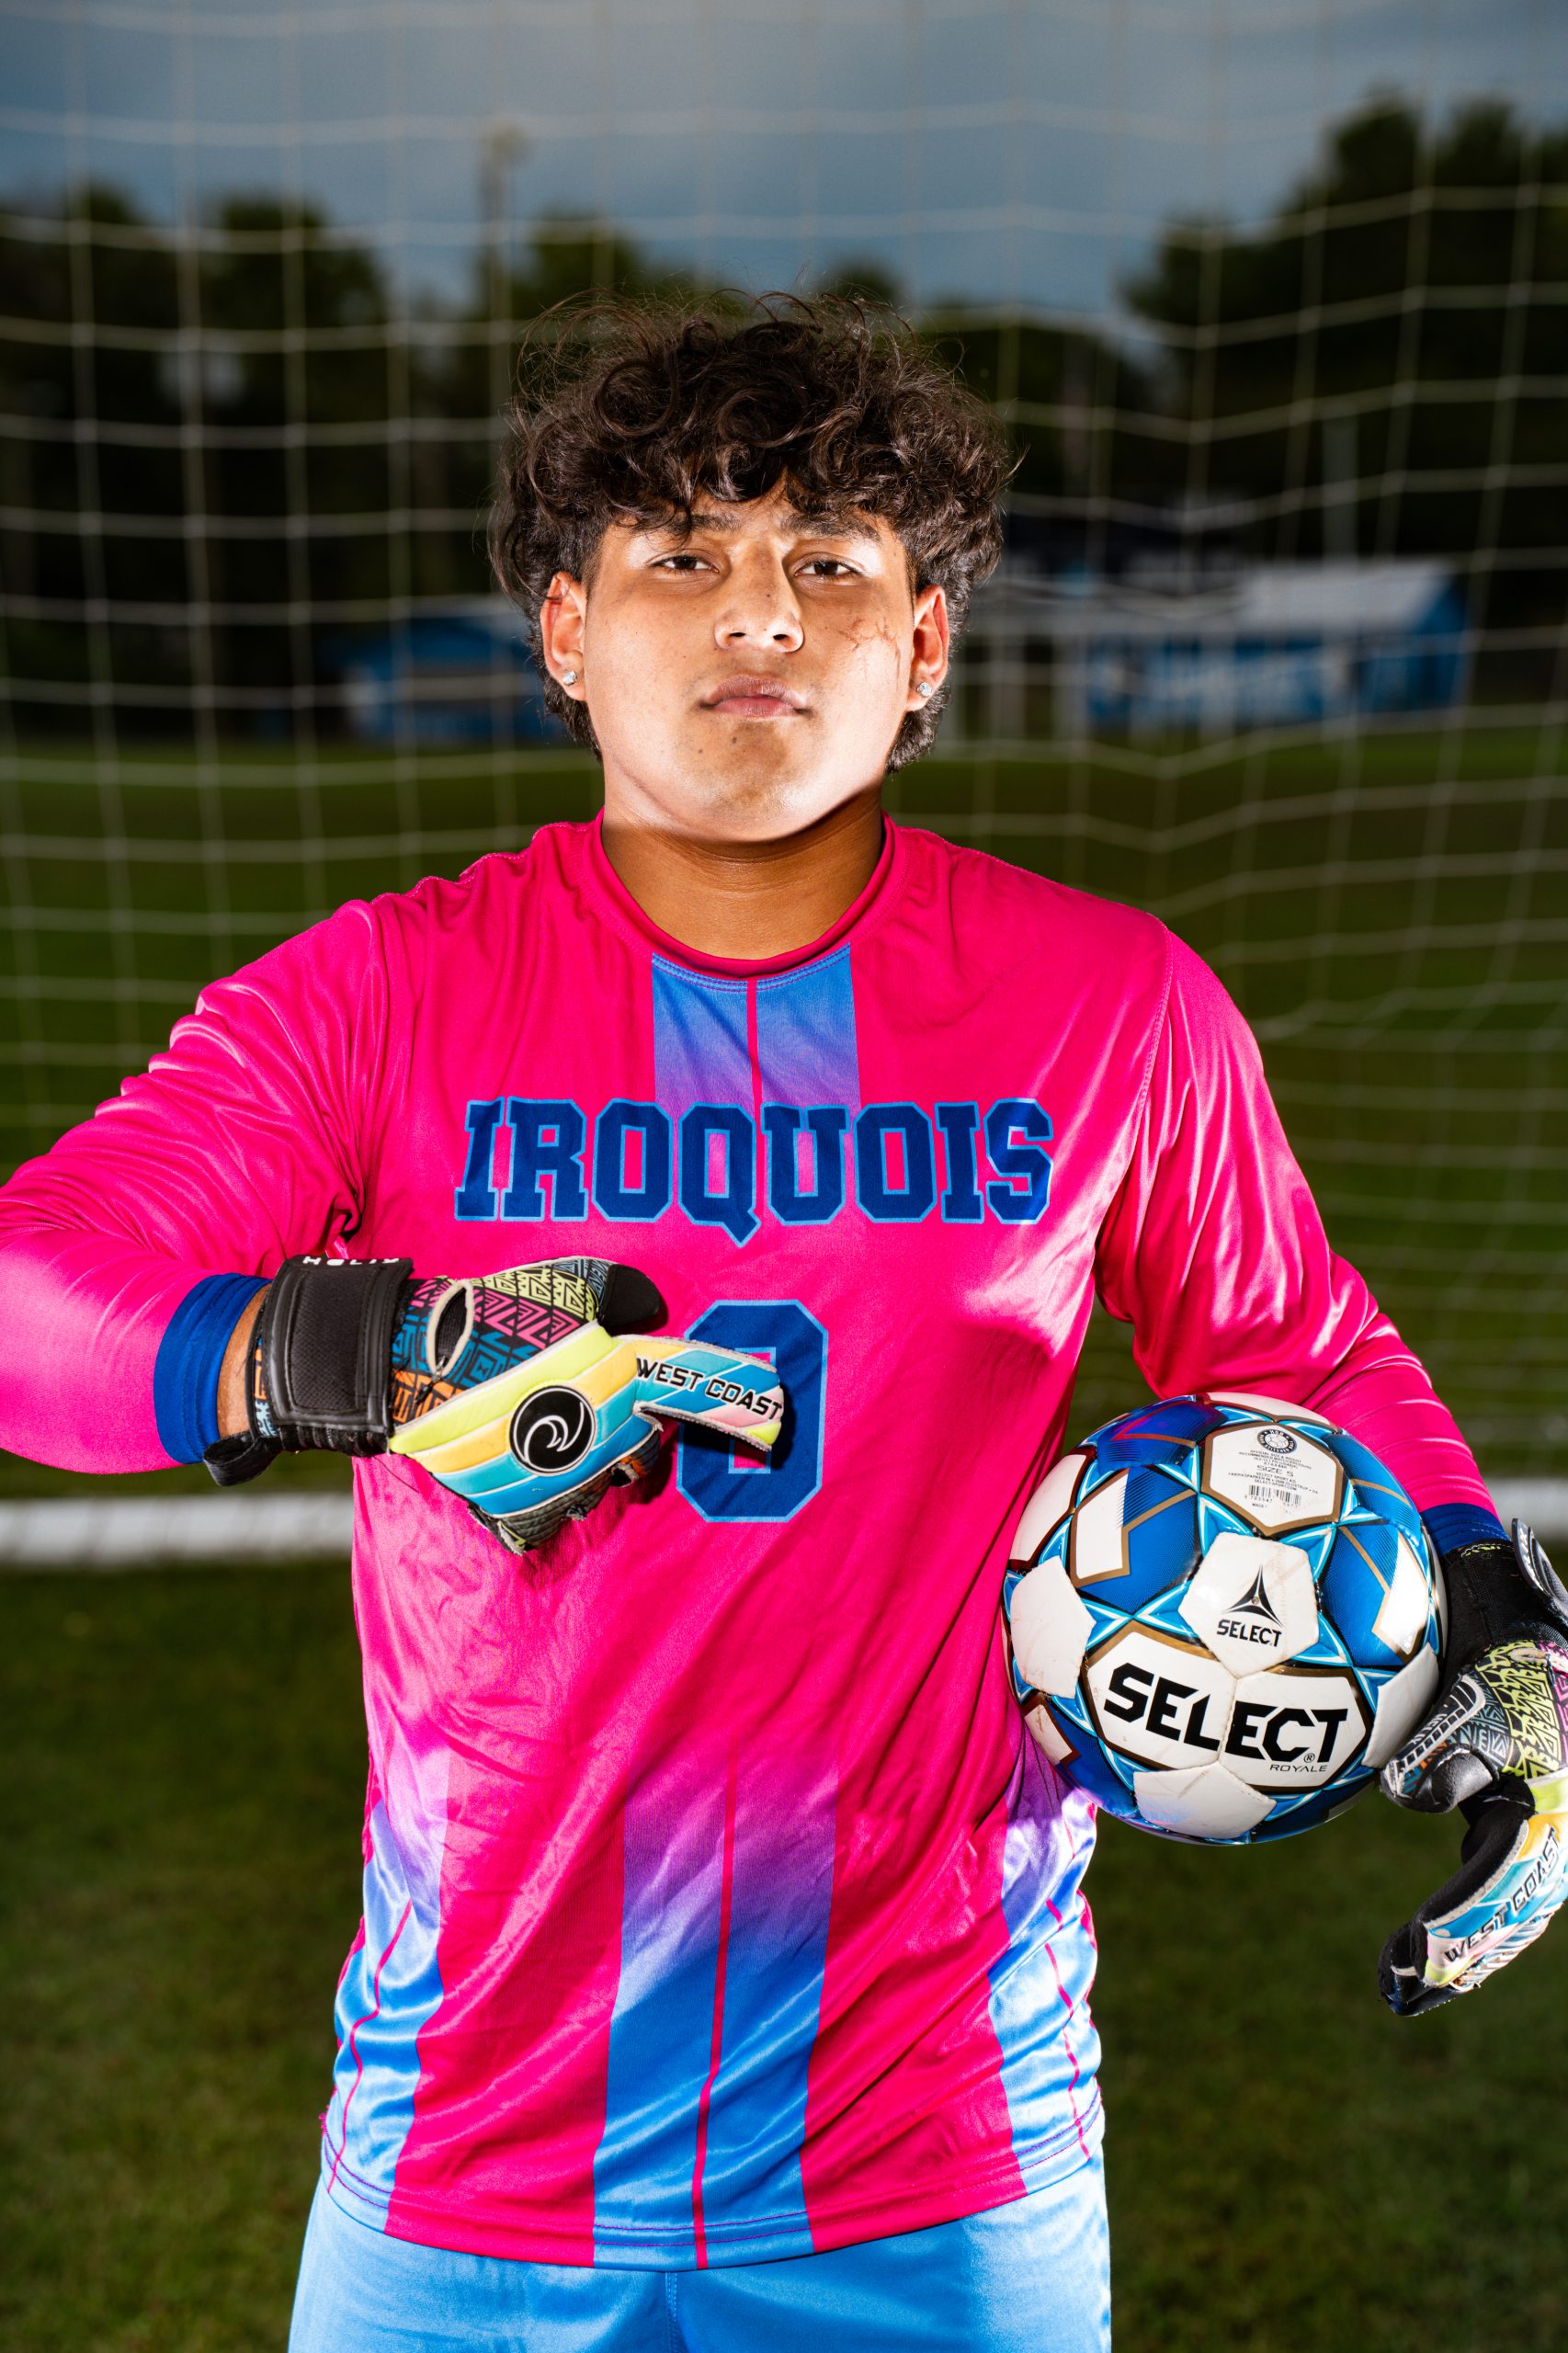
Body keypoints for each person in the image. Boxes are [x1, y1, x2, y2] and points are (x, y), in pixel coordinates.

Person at [2, 296, 1564, 2353]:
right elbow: (35, 1285)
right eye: (684, 553)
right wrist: (353, 1359)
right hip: (464, 2146)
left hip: (945, 2152)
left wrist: (1497, 1615)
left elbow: (1301, 1348)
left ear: (922, 650)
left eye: (830, 561)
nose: (760, 608)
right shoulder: (376, 995)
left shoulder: (1111, 1005)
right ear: (566, 634)